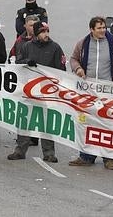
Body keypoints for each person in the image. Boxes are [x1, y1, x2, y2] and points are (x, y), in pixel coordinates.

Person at [68, 16, 113, 170]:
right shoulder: (83, 44)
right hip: (88, 91)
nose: (103, 30)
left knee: (107, 124)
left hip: (108, 92)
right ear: (91, 30)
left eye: (104, 27)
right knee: (87, 123)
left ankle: (109, 158)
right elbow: (73, 59)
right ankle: (86, 156)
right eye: (99, 28)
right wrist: (78, 69)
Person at [8, 21, 66, 162]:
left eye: (47, 31)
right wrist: (27, 61)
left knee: (46, 122)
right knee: (24, 120)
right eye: (42, 32)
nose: (46, 34)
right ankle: (20, 150)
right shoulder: (27, 46)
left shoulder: (55, 48)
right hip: (29, 90)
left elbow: (61, 70)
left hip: (46, 92)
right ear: (36, 33)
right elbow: (18, 63)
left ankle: (49, 153)